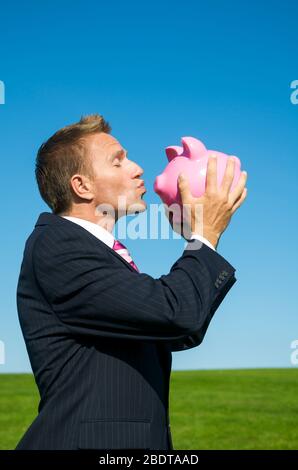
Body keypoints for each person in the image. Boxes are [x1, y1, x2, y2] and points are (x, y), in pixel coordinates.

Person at [16, 114, 247, 450]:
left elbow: (181, 329)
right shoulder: (59, 246)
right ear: (82, 186)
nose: (137, 168)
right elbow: (175, 312)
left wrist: (198, 242)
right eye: (118, 161)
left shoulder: (98, 254)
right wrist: (204, 237)